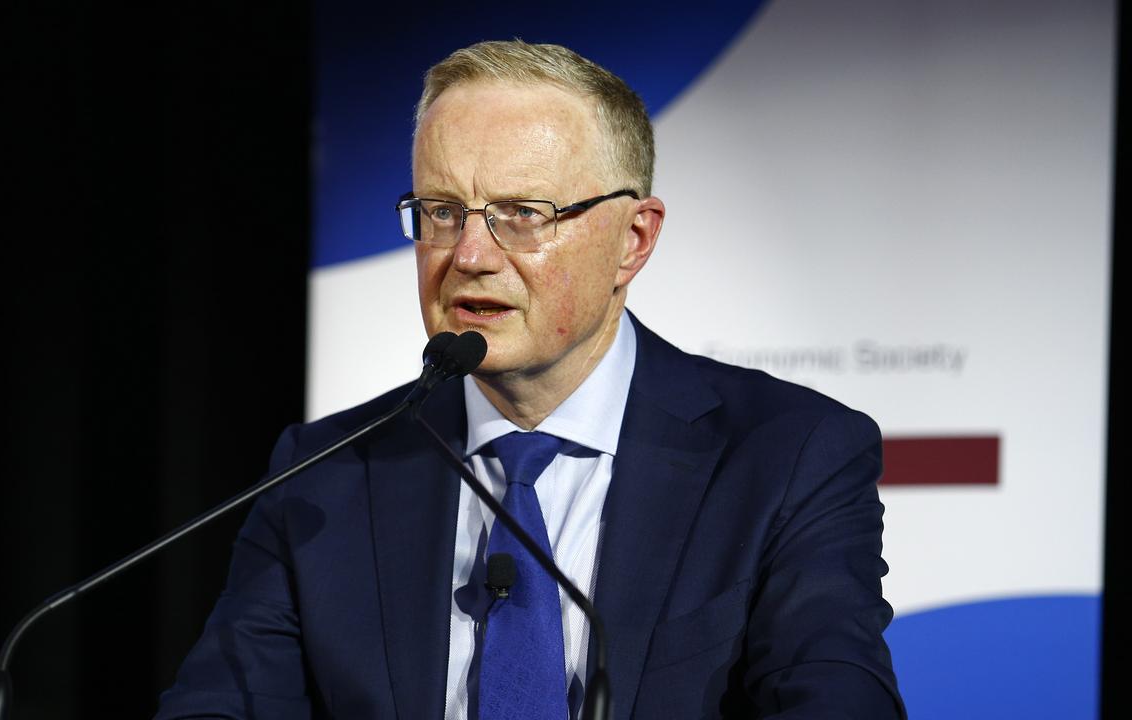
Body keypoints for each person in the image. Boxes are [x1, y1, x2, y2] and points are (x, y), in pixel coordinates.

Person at [156, 40, 905, 720]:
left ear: (633, 240)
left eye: (522, 214)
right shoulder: (324, 475)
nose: (470, 254)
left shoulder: (786, 455)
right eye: (442, 211)